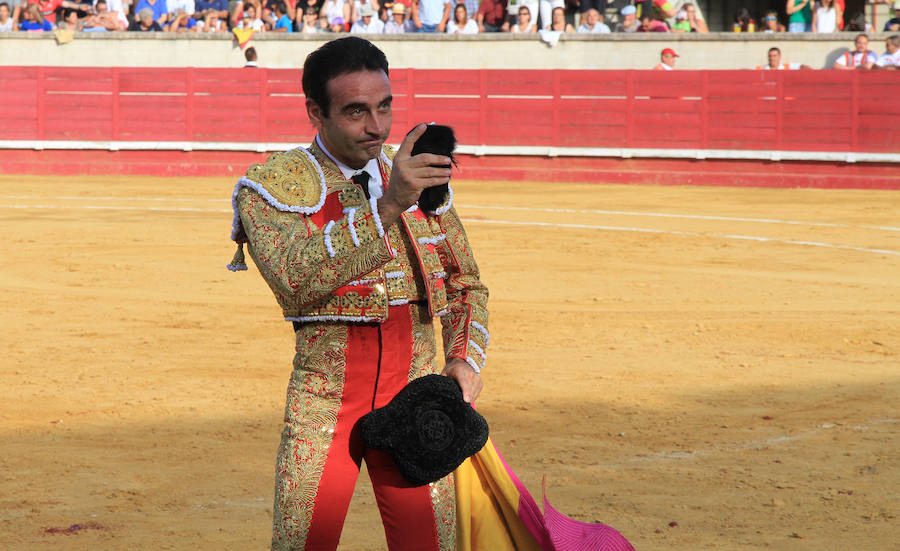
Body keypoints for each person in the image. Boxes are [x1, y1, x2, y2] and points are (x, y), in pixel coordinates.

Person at [229, 36, 488, 551]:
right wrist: (389, 206)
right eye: (355, 111)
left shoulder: (416, 173)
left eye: (384, 106)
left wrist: (464, 359)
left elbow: (465, 284)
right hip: (325, 403)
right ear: (315, 112)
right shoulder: (271, 186)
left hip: (415, 398)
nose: (376, 127)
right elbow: (294, 280)